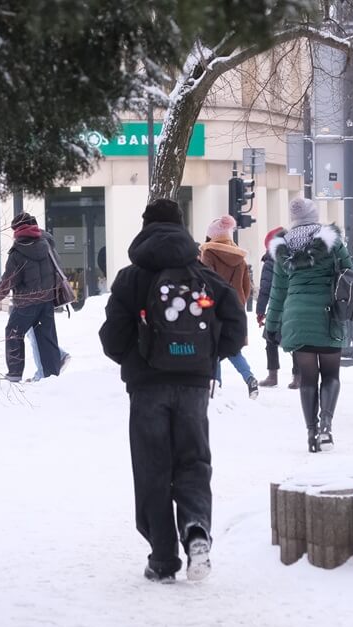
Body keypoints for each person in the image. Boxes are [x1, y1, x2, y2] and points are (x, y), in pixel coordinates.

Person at [99, 199, 247, 583]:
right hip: (194, 386)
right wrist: (209, 355)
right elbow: (235, 323)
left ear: (145, 227)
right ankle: (197, 528)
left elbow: (112, 338)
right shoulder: (200, 273)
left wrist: (136, 359)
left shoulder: (131, 278)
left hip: (147, 388)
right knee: (193, 462)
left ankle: (163, 559)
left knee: (152, 468)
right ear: (182, 226)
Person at [264, 198, 353, 452]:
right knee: (330, 374)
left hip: (296, 316)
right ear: (314, 215)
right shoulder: (333, 241)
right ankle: (326, 426)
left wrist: (271, 326)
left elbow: (277, 291)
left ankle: (310, 433)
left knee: (307, 378)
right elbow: (351, 273)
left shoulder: (283, 247)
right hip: (328, 315)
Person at [0, 212, 62, 381]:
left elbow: (9, 281)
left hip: (27, 303)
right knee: (47, 336)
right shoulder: (47, 245)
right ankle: (52, 375)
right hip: (47, 300)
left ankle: (14, 373)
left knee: (13, 332)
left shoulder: (18, 252)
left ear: (17, 230)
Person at [200, 215, 259, 399]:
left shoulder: (208, 253)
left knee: (214, 348)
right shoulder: (239, 257)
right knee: (232, 347)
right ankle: (249, 378)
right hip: (236, 307)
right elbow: (246, 287)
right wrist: (238, 302)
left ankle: (216, 386)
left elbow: (205, 281)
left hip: (215, 308)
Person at [255, 226, 299, 387]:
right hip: (294, 305)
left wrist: (260, 311)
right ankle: (298, 377)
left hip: (276, 306)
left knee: (270, 339)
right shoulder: (296, 257)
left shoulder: (270, 261)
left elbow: (265, 288)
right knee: (295, 340)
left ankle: (272, 376)